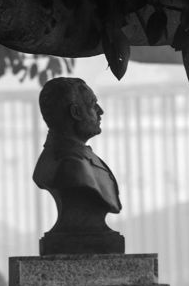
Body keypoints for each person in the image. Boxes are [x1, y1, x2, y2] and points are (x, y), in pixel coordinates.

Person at [32, 77, 123, 254]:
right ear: (76, 112)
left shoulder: (81, 158)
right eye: (93, 104)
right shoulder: (67, 166)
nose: (100, 111)